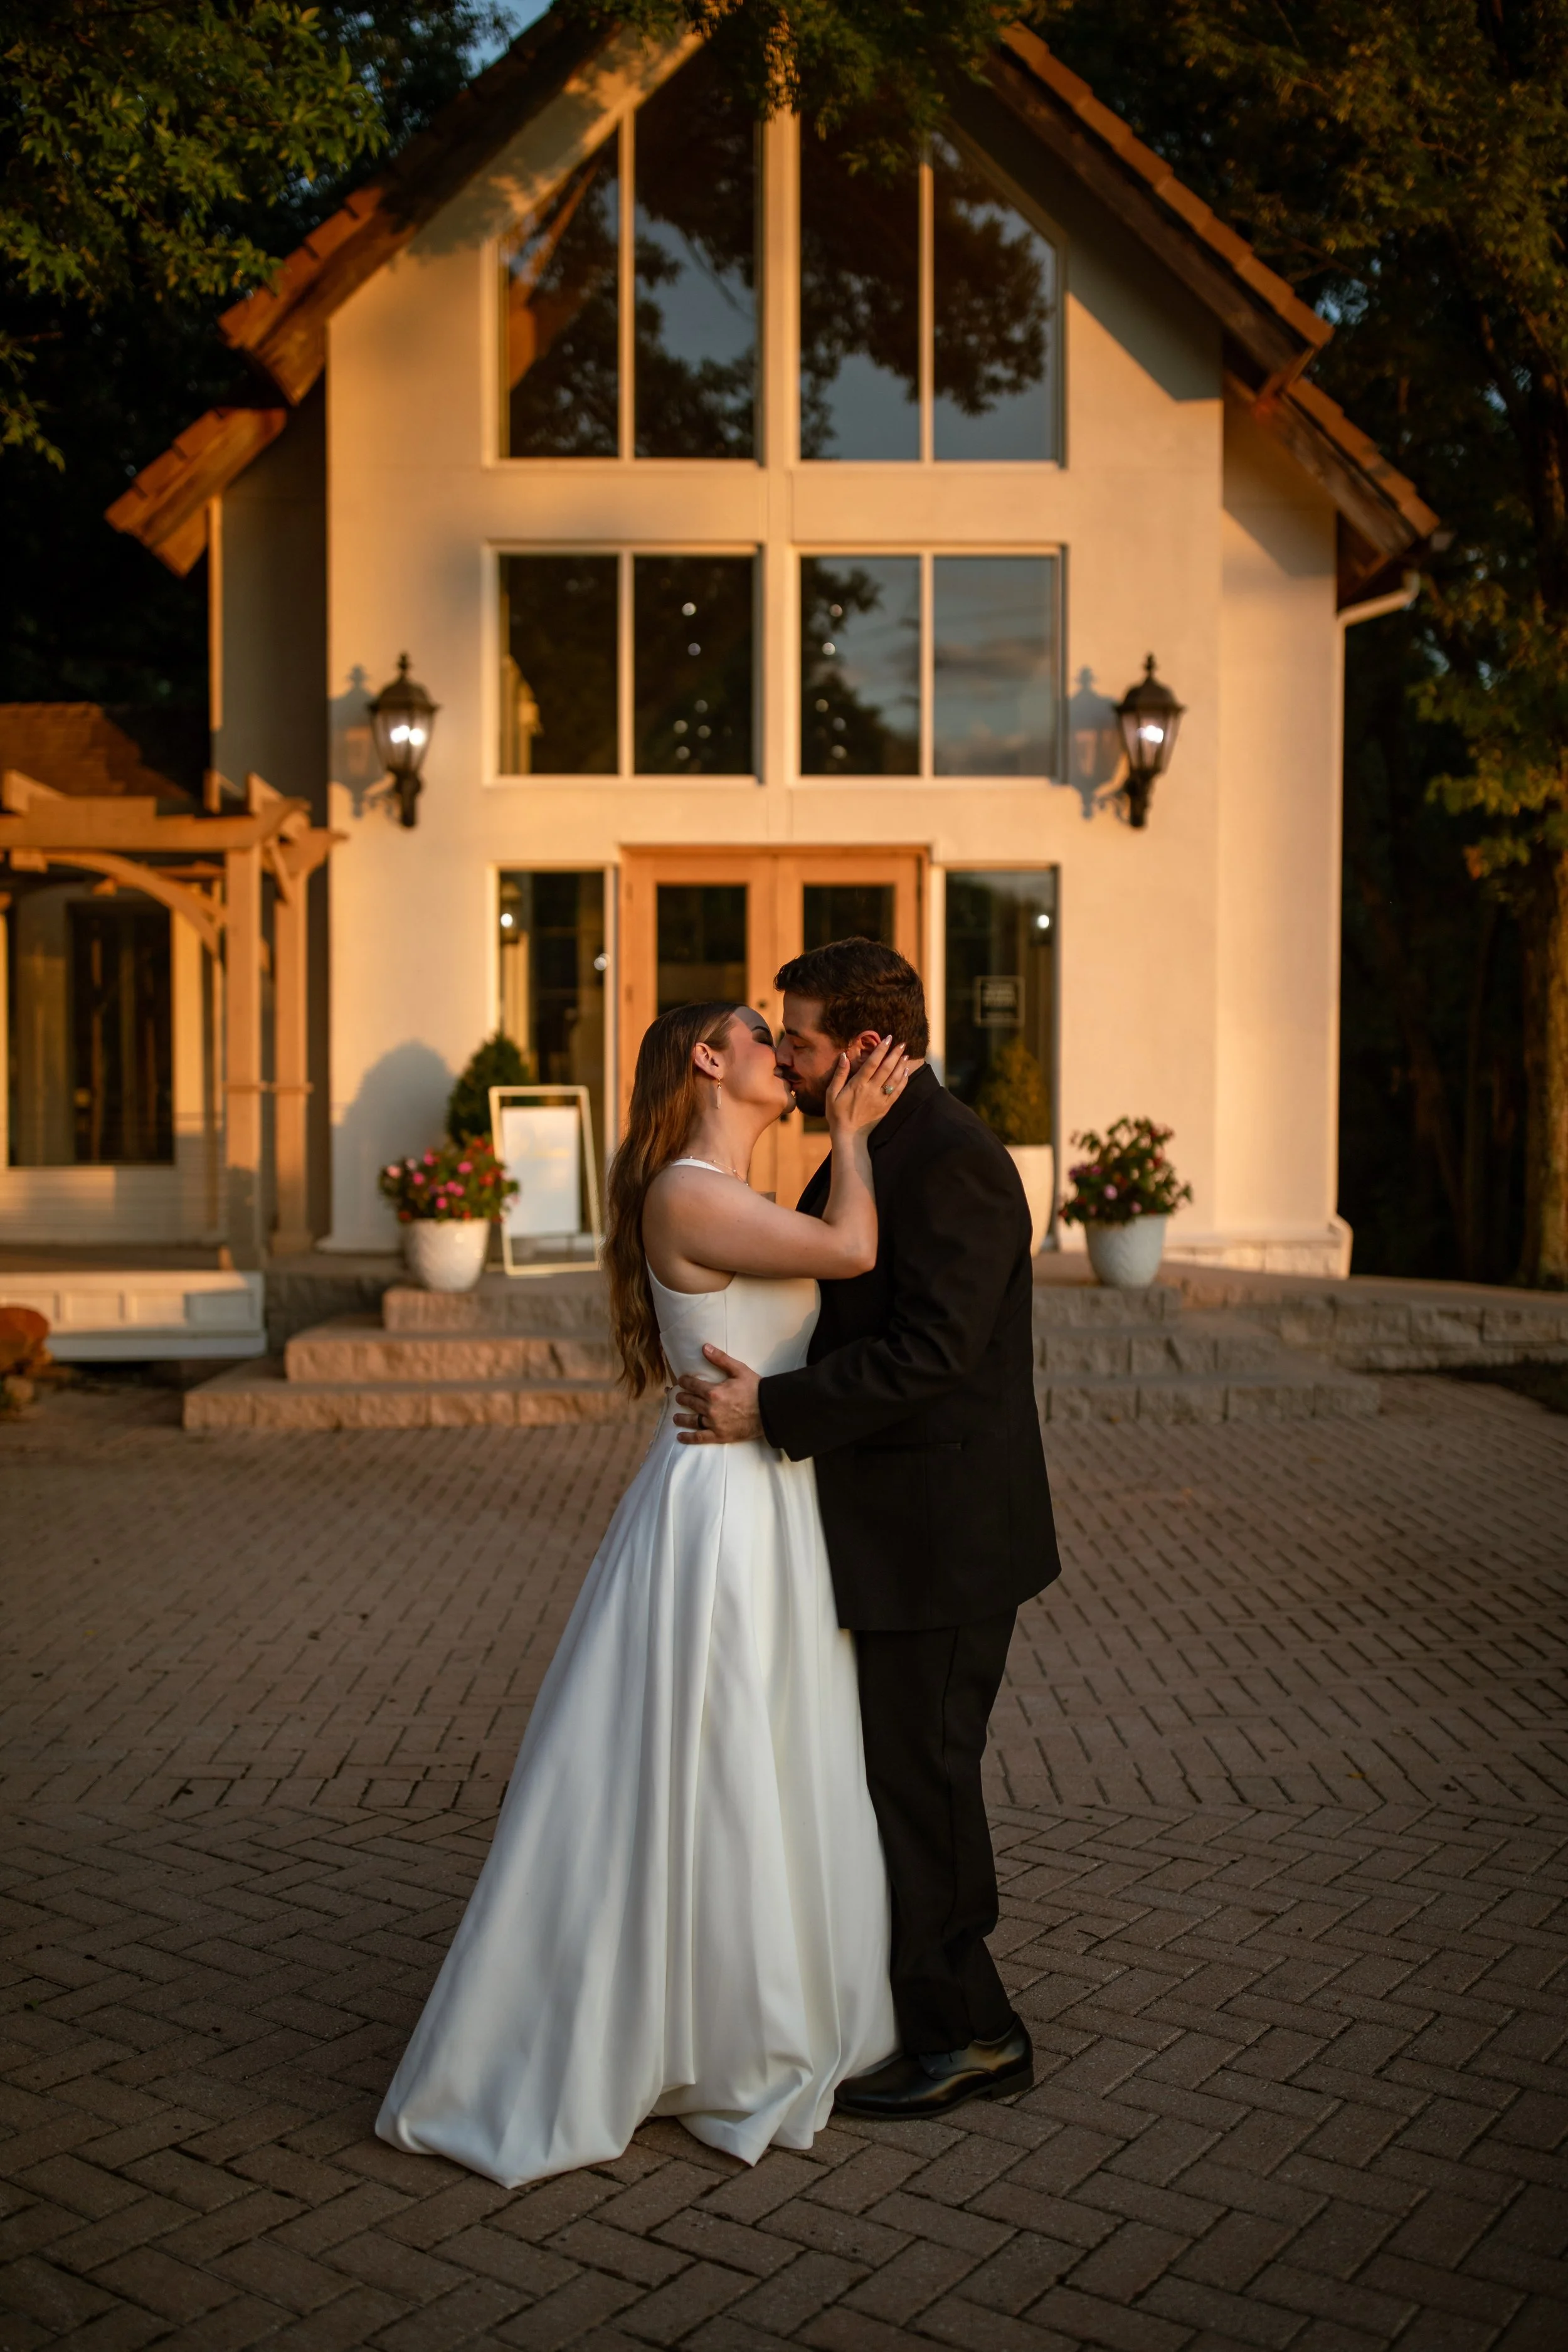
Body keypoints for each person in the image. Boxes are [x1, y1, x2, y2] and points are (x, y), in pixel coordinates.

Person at [376, 1000, 913, 2186]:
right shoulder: (685, 1190)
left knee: (759, 1758)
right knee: (709, 1761)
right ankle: (687, 2033)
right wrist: (860, 1138)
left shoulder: (734, 1191)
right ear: (708, 1060)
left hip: (766, 1495)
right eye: (759, 1032)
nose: (784, 1048)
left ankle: (726, 2015)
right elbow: (854, 1251)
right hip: (720, 1516)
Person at [674, 938, 1061, 2120]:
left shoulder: (955, 1163)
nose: (786, 1058)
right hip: (884, 1531)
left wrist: (769, 1409)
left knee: (925, 1780)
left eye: (799, 1037)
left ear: (870, 1046)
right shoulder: (872, 1152)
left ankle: (976, 2033)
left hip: (941, 1539)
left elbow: (931, 1354)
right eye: (779, 1038)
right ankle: (917, 2006)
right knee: (894, 1779)